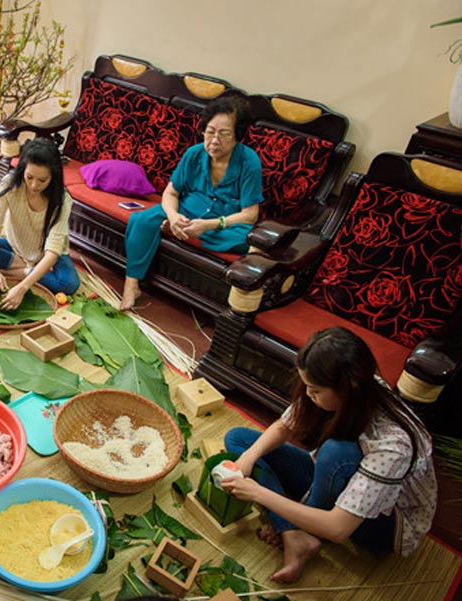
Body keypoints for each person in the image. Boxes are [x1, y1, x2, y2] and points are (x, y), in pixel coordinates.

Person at [222, 327, 436, 583]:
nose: (308, 395)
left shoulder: (393, 445)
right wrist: (246, 462)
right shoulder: (358, 390)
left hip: (386, 521)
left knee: (336, 451)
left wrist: (256, 492)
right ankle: (293, 534)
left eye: (315, 390)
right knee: (238, 440)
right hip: (338, 477)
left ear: (347, 389)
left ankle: (300, 530)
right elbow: (284, 426)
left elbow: (338, 528)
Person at [119, 96, 263, 310]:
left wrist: (208, 225)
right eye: (210, 131)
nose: (214, 140)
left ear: (237, 137)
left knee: (250, 241)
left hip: (224, 222)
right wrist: (173, 216)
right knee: (141, 220)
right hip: (186, 210)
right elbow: (170, 194)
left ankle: (178, 230)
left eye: (224, 134)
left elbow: (250, 214)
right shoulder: (194, 154)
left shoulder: (249, 162)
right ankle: (131, 284)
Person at [0, 138, 80, 310]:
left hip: (47, 254)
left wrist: (23, 286)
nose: (33, 185)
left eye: (42, 180)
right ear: (23, 168)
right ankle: (24, 268)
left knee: (69, 284)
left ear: (53, 176)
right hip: (15, 245)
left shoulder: (62, 199)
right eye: (29, 177)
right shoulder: (10, 185)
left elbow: (53, 251)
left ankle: (23, 271)